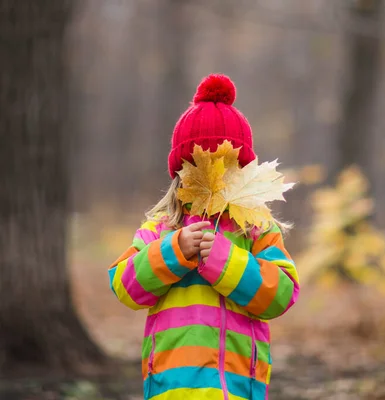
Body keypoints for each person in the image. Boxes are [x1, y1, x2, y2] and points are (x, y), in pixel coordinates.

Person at [107, 74, 300, 400]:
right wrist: (172, 251)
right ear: (180, 172)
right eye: (199, 165)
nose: (213, 176)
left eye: (225, 166)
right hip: (172, 386)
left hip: (235, 385)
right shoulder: (161, 228)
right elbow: (125, 286)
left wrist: (228, 261)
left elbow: (282, 294)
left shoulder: (255, 228)